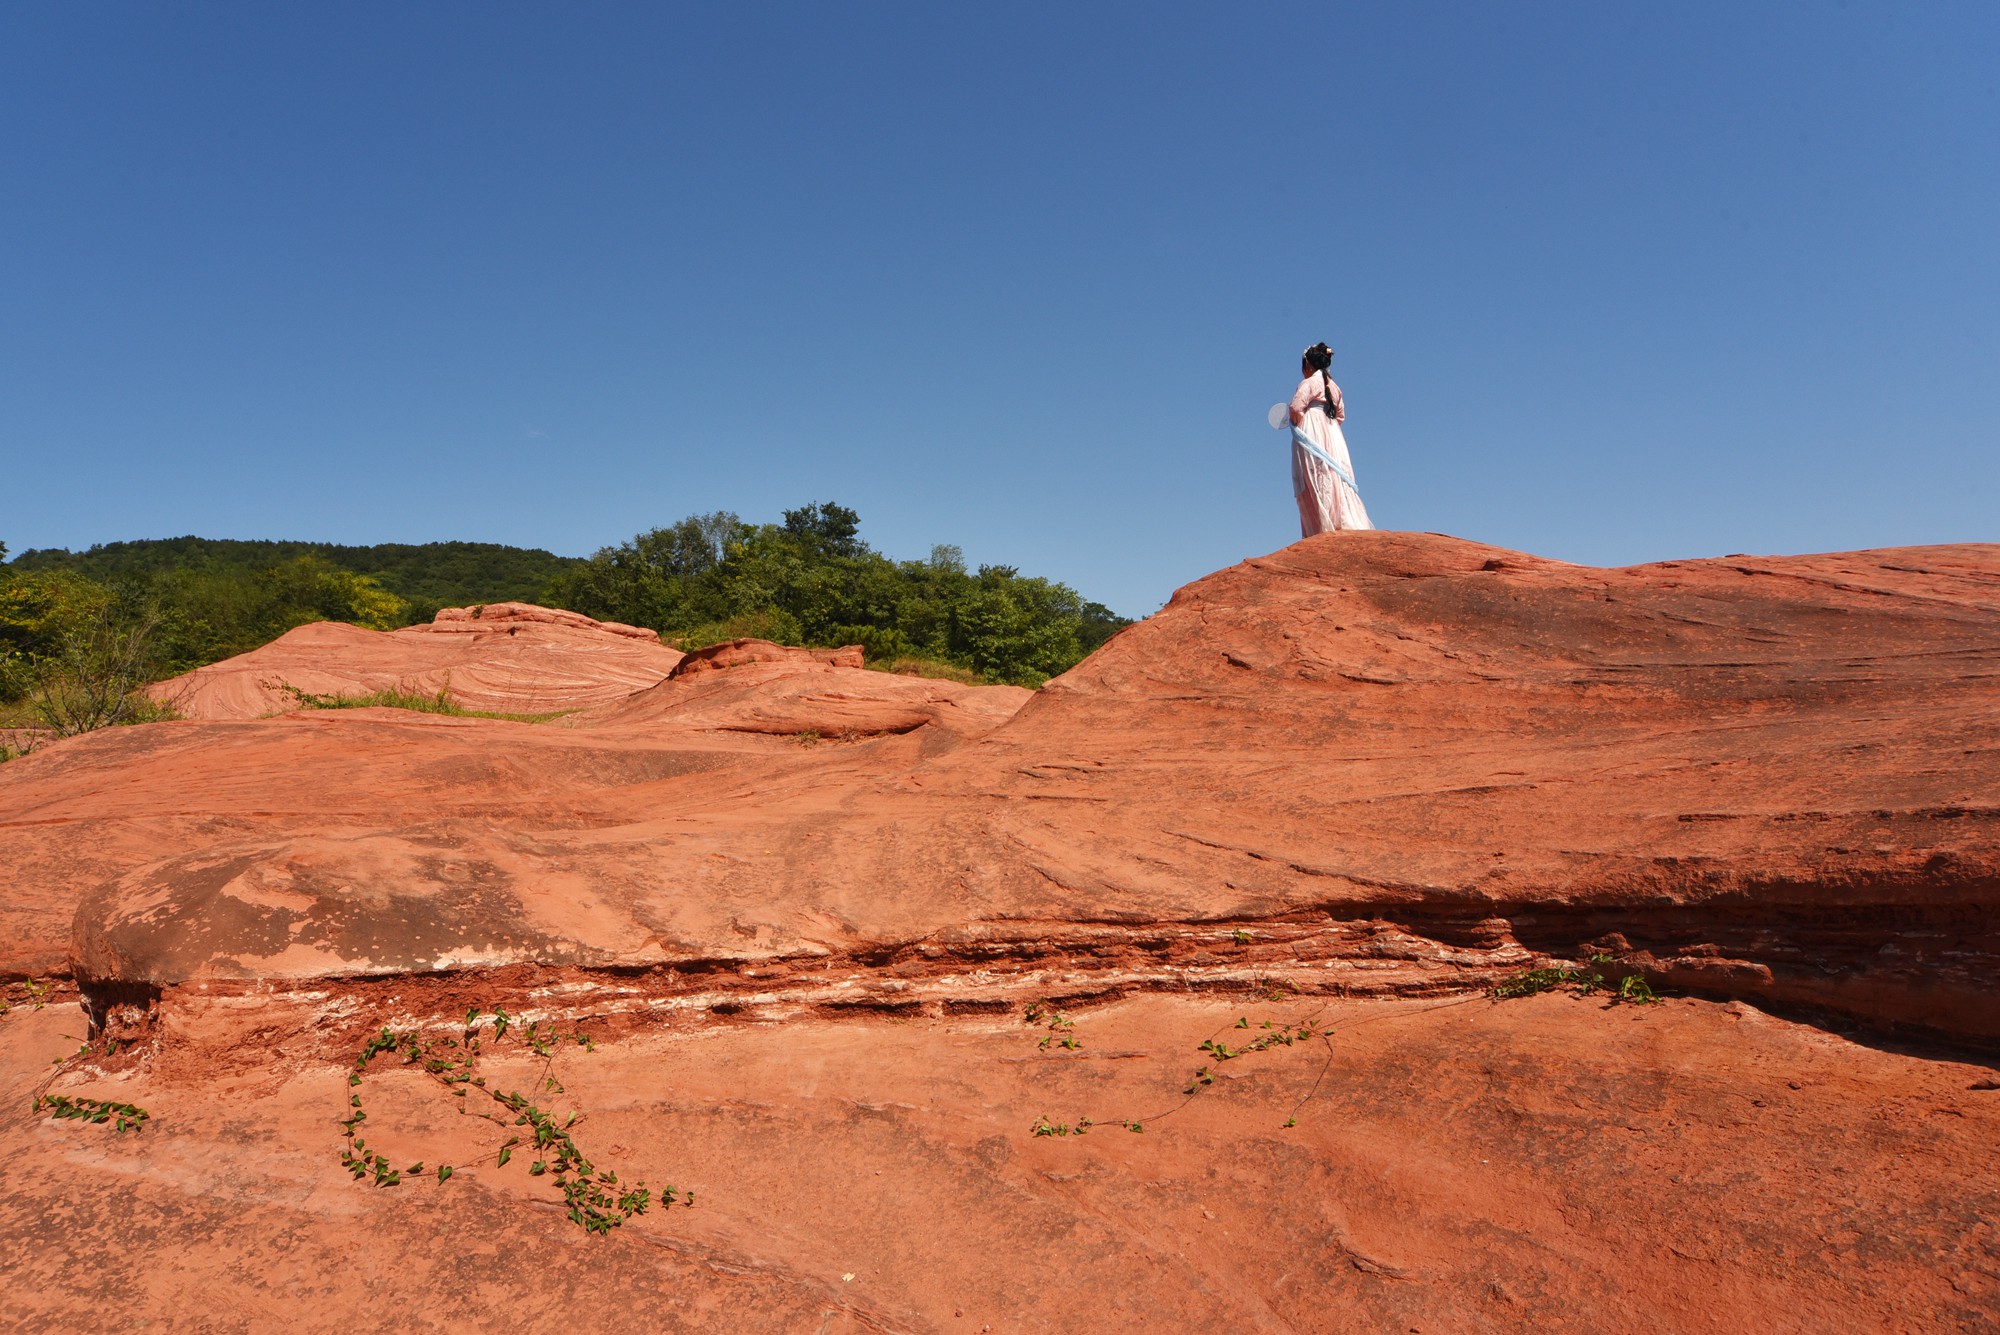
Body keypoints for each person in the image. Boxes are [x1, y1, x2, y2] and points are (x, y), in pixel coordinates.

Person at [1289, 342, 1372, 536]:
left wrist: (1302, 421)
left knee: (1316, 472)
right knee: (1335, 472)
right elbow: (1341, 416)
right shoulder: (1334, 387)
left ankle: (1321, 527)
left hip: (1313, 429)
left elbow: (1295, 408)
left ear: (1308, 365)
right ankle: (1341, 520)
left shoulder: (1308, 383)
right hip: (1333, 432)